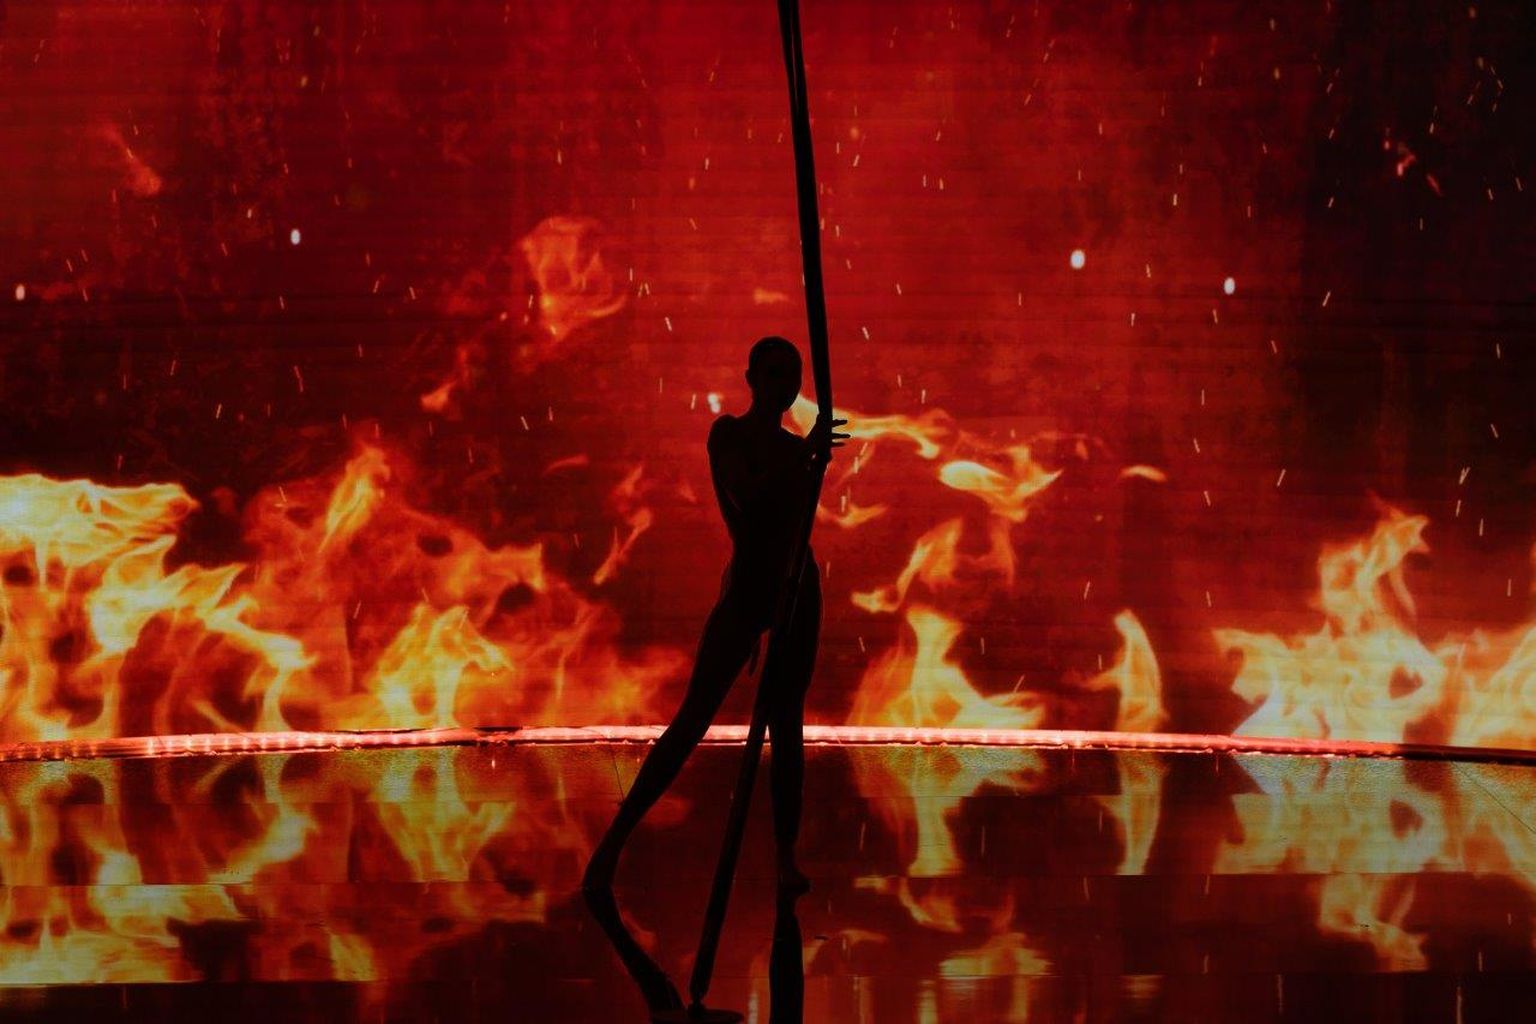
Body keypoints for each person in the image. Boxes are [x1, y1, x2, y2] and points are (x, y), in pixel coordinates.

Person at [583, 336, 846, 896]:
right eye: (772, 373)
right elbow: (748, 496)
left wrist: (809, 457)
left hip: (798, 586)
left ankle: (785, 857)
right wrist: (805, 455)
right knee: (693, 719)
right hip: (749, 585)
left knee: (787, 724)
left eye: (791, 374)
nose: (782, 384)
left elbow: (795, 523)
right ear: (751, 379)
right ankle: (611, 849)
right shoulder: (729, 434)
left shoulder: (798, 449)